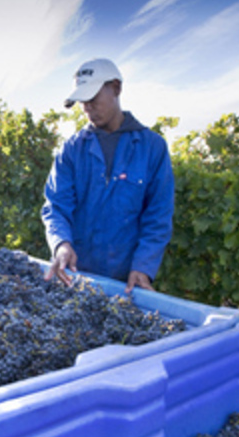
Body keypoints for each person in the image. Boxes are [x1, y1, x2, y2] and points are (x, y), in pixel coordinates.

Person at [41, 58, 175, 294]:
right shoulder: (71, 150)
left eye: (92, 99)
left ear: (116, 88)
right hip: (75, 279)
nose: (87, 108)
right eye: (83, 102)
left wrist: (143, 267)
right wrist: (61, 243)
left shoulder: (152, 147)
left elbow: (158, 215)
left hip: (127, 283)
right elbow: (56, 206)